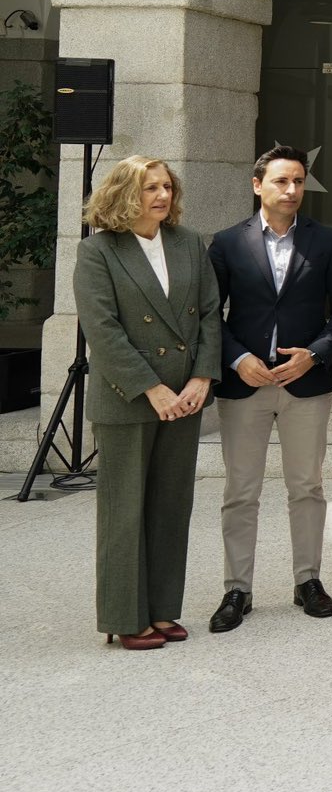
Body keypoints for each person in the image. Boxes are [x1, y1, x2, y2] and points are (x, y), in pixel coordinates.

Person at [206, 143, 332, 632]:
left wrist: (315, 353)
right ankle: (237, 590)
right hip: (244, 382)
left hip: (306, 382)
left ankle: (307, 580)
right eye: (280, 181)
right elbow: (210, 314)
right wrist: (237, 357)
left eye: (298, 181)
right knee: (240, 490)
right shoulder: (228, 243)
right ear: (257, 185)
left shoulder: (327, 241)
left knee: (307, 486)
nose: (291, 190)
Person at [74, 156, 220, 650]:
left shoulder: (188, 243)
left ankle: (160, 611)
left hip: (184, 397)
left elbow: (209, 316)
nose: (161, 196)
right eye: (149, 188)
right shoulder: (98, 252)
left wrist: (202, 377)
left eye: (166, 187)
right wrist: (152, 389)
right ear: (122, 195)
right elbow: (103, 330)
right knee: (124, 511)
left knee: (170, 507)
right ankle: (123, 616)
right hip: (130, 398)